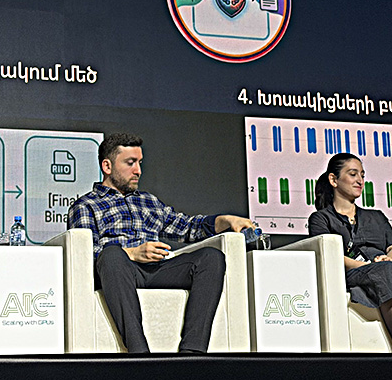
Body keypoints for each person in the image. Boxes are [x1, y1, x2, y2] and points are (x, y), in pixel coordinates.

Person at [67, 132, 255, 353]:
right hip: (118, 271)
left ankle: (192, 353)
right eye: (130, 163)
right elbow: (87, 254)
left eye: (139, 163)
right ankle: (139, 354)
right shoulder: (86, 205)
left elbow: (186, 227)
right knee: (111, 255)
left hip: (157, 269)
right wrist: (131, 253)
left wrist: (224, 221)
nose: (138, 170)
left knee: (211, 258)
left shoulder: (148, 201)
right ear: (107, 166)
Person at [308, 153, 392, 353]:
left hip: (386, 268)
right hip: (355, 272)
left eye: (362, 175)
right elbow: (329, 254)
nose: (360, 181)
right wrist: (369, 266)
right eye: (353, 174)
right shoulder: (321, 218)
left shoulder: (376, 216)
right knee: (386, 273)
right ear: (334, 180)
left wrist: (389, 260)